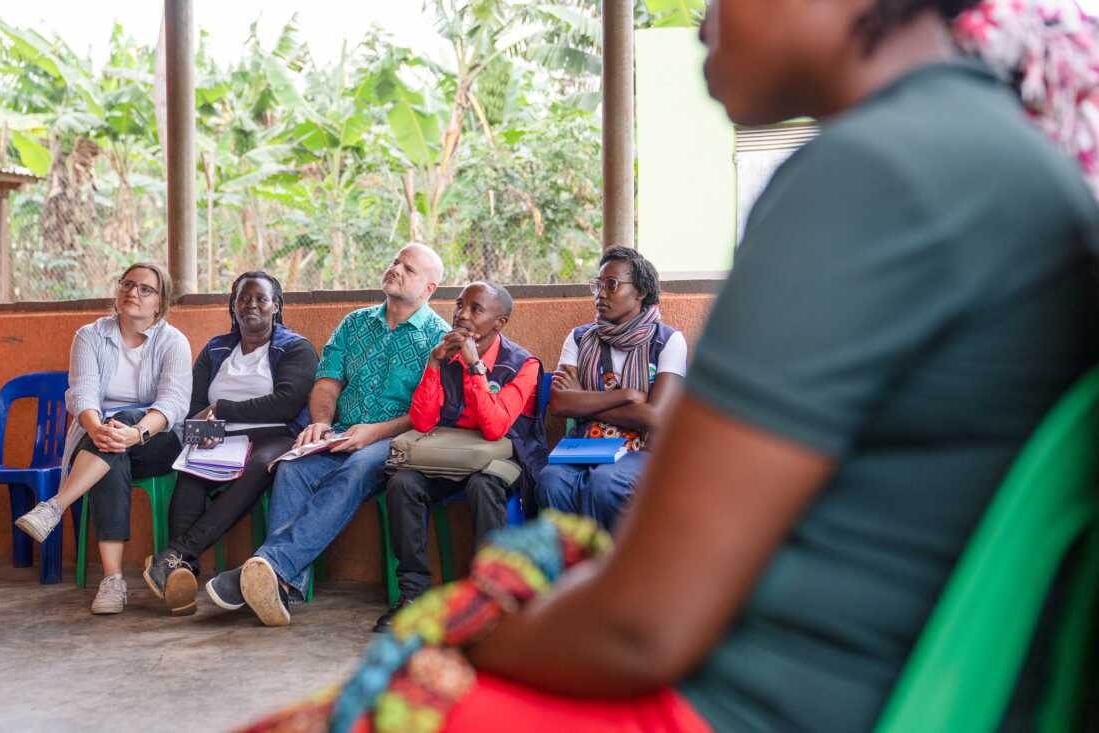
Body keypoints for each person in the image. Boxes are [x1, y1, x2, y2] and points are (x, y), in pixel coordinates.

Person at [355, 0, 1099, 731]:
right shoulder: (1010, 160)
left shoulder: (867, 176)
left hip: (756, 695)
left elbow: (642, 621)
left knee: (380, 687)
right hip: (903, 683)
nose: (705, 24)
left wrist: (454, 643)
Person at [205, 243, 450, 627]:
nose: (396, 269)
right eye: (395, 261)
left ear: (429, 289)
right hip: (338, 433)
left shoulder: (438, 338)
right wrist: (320, 422)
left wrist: (373, 433)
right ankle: (283, 587)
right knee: (292, 468)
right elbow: (327, 382)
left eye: (410, 269)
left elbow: (428, 414)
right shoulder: (355, 323)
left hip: (396, 441)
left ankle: (272, 568)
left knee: (355, 469)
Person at [15, 263, 191, 615]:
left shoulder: (173, 342)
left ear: (161, 302)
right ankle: (113, 581)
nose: (133, 292)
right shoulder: (90, 336)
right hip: (97, 437)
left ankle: (56, 506)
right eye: (127, 284)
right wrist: (98, 429)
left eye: (145, 289)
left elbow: (173, 402)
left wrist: (135, 431)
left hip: (157, 439)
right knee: (113, 456)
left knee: (123, 423)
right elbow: (83, 396)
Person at [141, 271, 318, 616]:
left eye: (261, 299)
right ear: (233, 306)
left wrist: (222, 409)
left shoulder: (296, 348)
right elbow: (193, 406)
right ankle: (181, 576)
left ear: (276, 306)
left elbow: (286, 403)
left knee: (256, 465)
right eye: (243, 298)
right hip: (220, 436)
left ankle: (176, 555)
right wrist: (200, 432)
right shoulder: (216, 349)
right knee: (190, 469)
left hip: (275, 435)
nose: (251, 304)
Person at [374, 281, 548, 632]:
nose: (462, 315)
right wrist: (435, 363)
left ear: (500, 322)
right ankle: (414, 593)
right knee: (402, 483)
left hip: (505, 456)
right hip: (448, 454)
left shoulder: (524, 365)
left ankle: (487, 597)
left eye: (475, 309)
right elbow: (423, 421)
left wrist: (475, 368)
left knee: (484, 486)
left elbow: (496, 427)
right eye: (459, 306)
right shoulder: (445, 354)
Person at [536, 246, 686, 529]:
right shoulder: (580, 338)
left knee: (605, 483)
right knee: (550, 481)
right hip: (585, 446)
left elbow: (655, 417)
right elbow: (560, 405)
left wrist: (584, 400)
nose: (600, 293)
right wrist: (625, 397)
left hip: (641, 450)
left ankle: (608, 568)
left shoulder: (668, 341)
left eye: (612, 285)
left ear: (640, 291)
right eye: (598, 285)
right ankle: (571, 565)